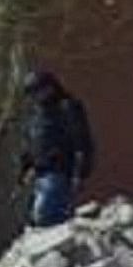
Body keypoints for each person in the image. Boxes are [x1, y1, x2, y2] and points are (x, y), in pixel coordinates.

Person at [21, 70, 97, 228]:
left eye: (38, 90)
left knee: (46, 217)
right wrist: (26, 168)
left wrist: (81, 172)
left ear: (50, 87)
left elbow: (82, 141)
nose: (35, 96)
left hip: (59, 172)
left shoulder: (67, 108)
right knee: (35, 219)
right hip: (39, 173)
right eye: (32, 93)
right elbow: (32, 142)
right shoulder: (37, 113)